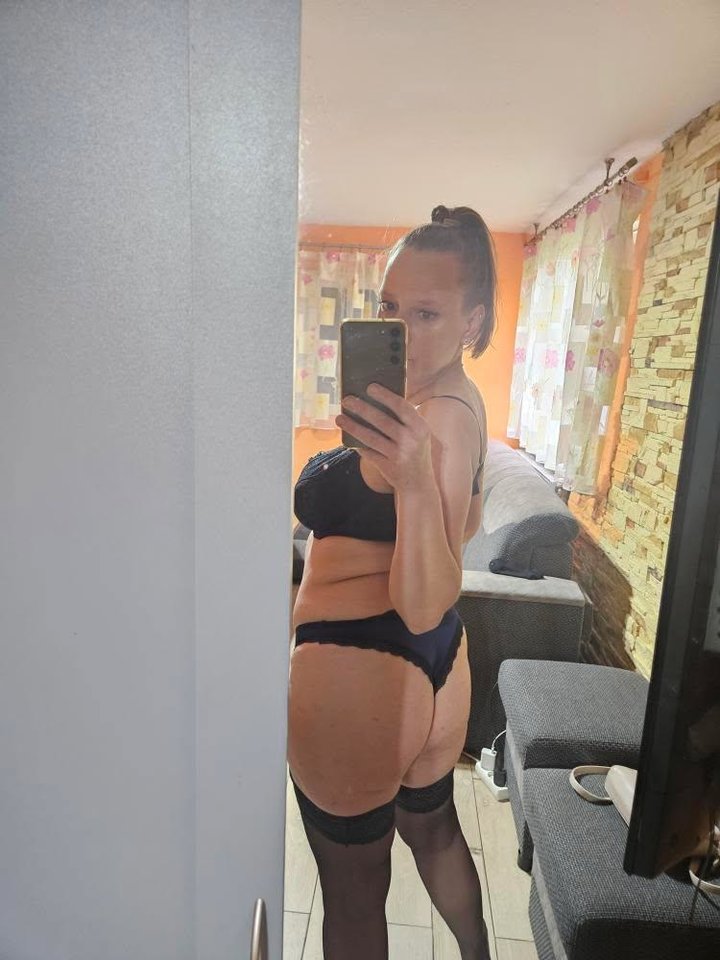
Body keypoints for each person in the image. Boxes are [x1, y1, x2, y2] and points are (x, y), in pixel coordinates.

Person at [289, 205, 495, 960]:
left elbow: (422, 600)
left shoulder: (434, 423)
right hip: (437, 671)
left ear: (473, 321)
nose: (402, 330)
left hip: (362, 669)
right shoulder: (458, 402)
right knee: (434, 832)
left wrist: (408, 479)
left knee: (351, 896)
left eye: (427, 313)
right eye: (389, 309)